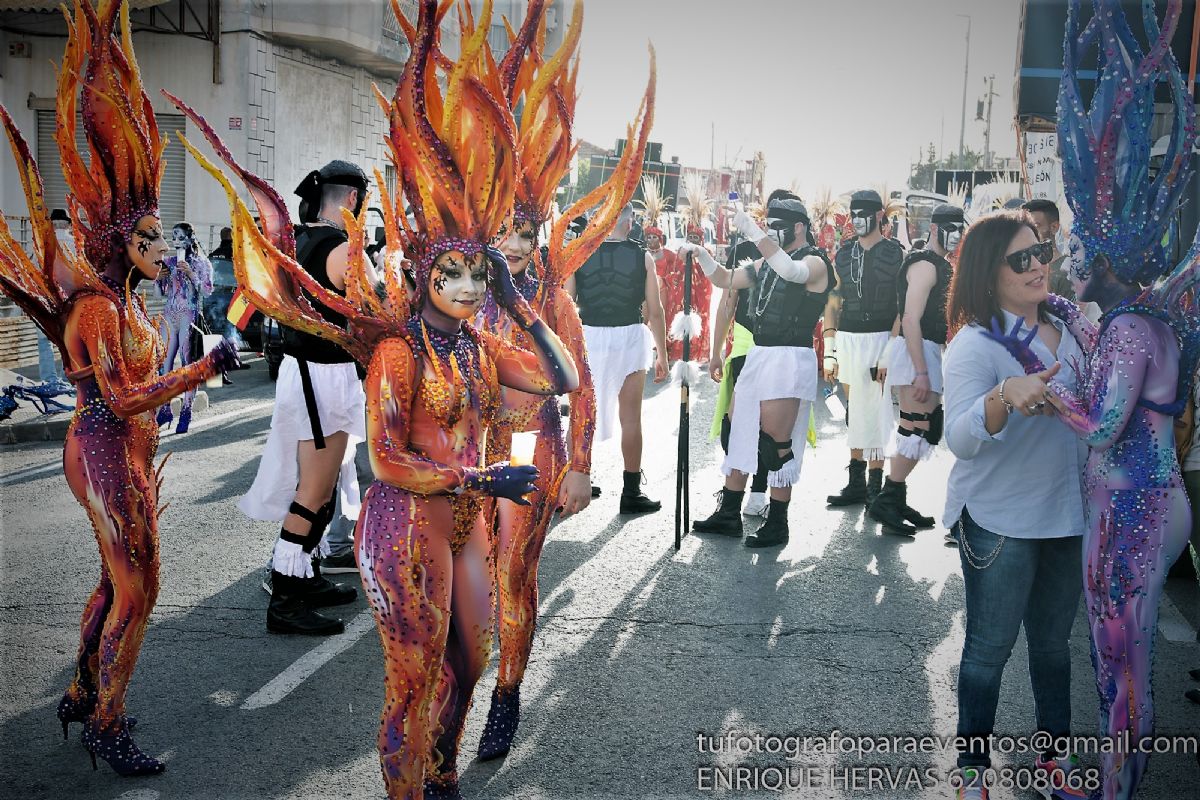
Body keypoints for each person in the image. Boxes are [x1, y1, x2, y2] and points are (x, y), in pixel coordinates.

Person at [0, 0, 238, 775]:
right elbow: (123, 398)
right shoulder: (102, 310)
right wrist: (199, 371)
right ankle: (107, 721)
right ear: (114, 240)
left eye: (157, 235)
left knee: (117, 577)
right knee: (141, 590)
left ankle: (79, 689)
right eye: (145, 237)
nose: (159, 246)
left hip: (118, 449)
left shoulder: (124, 300)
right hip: (103, 447)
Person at [1014, 9, 1199, 795]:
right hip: (1147, 501)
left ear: (1113, 253)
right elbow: (1121, 392)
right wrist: (1068, 323)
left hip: (1132, 511)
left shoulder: (1127, 327)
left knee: (1118, 660)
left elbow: (1099, 421)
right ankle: (1118, 780)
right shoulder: (1139, 318)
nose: (1074, 255)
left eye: (1084, 245)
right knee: (1122, 658)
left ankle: (1115, 788)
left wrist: (1045, 388)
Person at [471, 0, 637, 760]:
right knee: (460, 593)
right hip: (463, 459)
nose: (515, 240)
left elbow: (585, 390)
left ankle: (506, 694)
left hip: (532, 454)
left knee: (513, 579)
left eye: (527, 229)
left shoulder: (554, 300)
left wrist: (580, 467)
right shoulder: (455, 294)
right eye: (505, 227)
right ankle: (461, 696)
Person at [942, 212, 1089, 800]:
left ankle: (1054, 758)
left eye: (1042, 252)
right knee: (987, 651)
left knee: (1055, 648)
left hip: (1068, 516)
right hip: (1000, 519)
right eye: (1021, 259)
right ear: (988, 273)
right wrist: (1004, 395)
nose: (1038, 266)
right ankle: (972, 768)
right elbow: (958, 438)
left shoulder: (1073, 331)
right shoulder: (975, 344)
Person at [237, 159, 372, 635]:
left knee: (324, 485)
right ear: (354, 200)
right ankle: (286, 598)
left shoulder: (298, 238)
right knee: (313, 492)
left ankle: (305, 574)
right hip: (323, 375)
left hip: (309, 371)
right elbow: (376, 308)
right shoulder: (341, 248)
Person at [684, 194, 831, 547]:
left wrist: (752, 231)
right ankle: (729, 513)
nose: (772, 233)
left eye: (778, 227)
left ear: (798, 227)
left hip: (790, 358)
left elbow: (792, 272)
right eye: (769, 226)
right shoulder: (767, 265)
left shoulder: (816, 262)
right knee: (736, 431)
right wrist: (701, 255)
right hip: (760, 354)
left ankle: (778, 522)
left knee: (774, 445)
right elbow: (725, 279)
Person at [867, 204, 965, 536]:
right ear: (935, 229)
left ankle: (895, 497)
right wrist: (921, 371)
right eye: (951, 228)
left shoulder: (937, 263)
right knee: (920, 427)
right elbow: (910, 319)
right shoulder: (925, 265)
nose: (956, 235)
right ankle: (888, 498)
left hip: (922, 349)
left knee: (917, 426)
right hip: (916, 349)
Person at [566, 202, 669, 513]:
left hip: (589, 338)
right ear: (628, 223)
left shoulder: (579, 253)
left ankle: (573, 479)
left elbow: (567, 304)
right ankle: (631, 492)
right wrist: (662, 354)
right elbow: (656, 310)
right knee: (630, 419)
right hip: (630, 336)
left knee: (580, 414)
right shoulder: (643, 257)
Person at [824, 189, 904, 508]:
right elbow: (832, 301)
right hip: (848, 337)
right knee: (855, 412)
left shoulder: (895, 253)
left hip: (881, 336)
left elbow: (903, 305)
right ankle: (856, 483)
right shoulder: (843, 254)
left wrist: (889, 350)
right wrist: (830, 348)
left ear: (879, 217)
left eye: (864, 214)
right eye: (854, 214)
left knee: (877, 413)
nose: (858, 220)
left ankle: (875, 488)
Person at [152, 221, 212, 433]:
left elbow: (207, 291)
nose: (176, 242)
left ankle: (186, 412)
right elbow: (159, 296)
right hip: (170, 314)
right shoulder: (167, 262)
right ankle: (165, 409)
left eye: (180, 237)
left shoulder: (201, 263)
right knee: (164, 364)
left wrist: (191, 273)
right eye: (173, 237)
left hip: (189, 314)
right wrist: (158, 279)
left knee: (188, 364)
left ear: (190, 238)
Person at [1021, 199, 1074, 300]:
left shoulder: (1066, 270)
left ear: (1054, 227)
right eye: (1025, 227)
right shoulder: (1020, 267)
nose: (1028, 233)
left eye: (1035, 226)